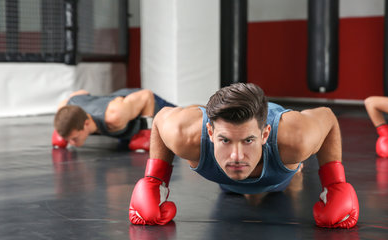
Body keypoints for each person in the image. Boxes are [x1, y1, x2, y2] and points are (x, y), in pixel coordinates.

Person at [128, 82, 359, 228]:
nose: (236, 155)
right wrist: (154, 181)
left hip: (279, 173)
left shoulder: (296, 139)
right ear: (210, 132)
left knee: (290, 174)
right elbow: (160, 118)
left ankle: (294, 173)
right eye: (225, 140)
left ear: (265, 133)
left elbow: (327, 117)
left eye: (248, 140)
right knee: (235, 185)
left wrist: (335, 184)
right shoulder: (184, 135)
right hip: (226, 180)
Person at [52, 88, 175, 151]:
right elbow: (81, 93)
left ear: (86, 123)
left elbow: (146, 95)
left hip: (148, 104)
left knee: (184, 120)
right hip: (119, 106)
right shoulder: (65, 107)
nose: (71, 143)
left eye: (74, 138)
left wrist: (146, 131)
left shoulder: (115, 116)